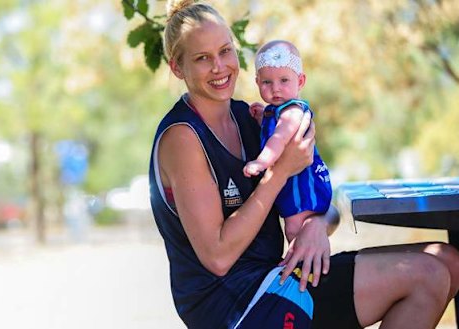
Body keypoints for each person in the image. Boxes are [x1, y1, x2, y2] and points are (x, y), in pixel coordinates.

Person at [149, 0, 459, 328]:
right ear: (177, 68)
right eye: (202, 58)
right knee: (428, 275)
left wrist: (315, 227)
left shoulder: (257, 119)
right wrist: (280, 171)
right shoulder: (183, 138)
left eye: (225, 51)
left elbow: (323, 204)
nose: (219, 67)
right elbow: (218, 256)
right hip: (236, 306)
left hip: (277, 276)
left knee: (449, 261)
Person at [243, 40, 331, 243]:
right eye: (267, 83)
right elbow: (275, 128)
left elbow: (280, 137)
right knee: (294, 229)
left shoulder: (293, 110)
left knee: (294, 229)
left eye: (284, 80)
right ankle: (300, 265)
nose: (276, 89)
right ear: (257, 82)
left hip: (301, 186)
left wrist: (261, 162)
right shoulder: (276, 111)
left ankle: (301, 266)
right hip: (291, 181)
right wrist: (262, 117)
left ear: (300, 81)